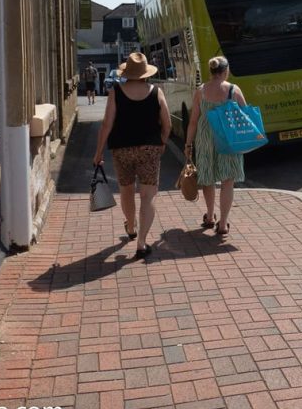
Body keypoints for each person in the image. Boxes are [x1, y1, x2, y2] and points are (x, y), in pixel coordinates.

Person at [93, 52, 171, 258]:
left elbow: (106, 124)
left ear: (127, 72)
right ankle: (142, 243)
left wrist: (99, 152)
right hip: (150, 148)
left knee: (126, 190)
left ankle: (131, 227)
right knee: (148, 194)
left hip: (122, 148)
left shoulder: (116, 92)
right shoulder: (157, 92)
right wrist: (162, 142)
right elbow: (167, 123)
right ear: (146, 73)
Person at [184, 56, 245, 238]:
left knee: (207, 178)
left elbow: (193, 121)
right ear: (225, 71)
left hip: (204, 138)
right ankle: (223, 224)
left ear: (211, 72)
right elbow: (245, 114)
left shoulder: (201, 91)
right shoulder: (233, 90)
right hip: (227, 138)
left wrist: (188, 143)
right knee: (228, 180)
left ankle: (210, 216)